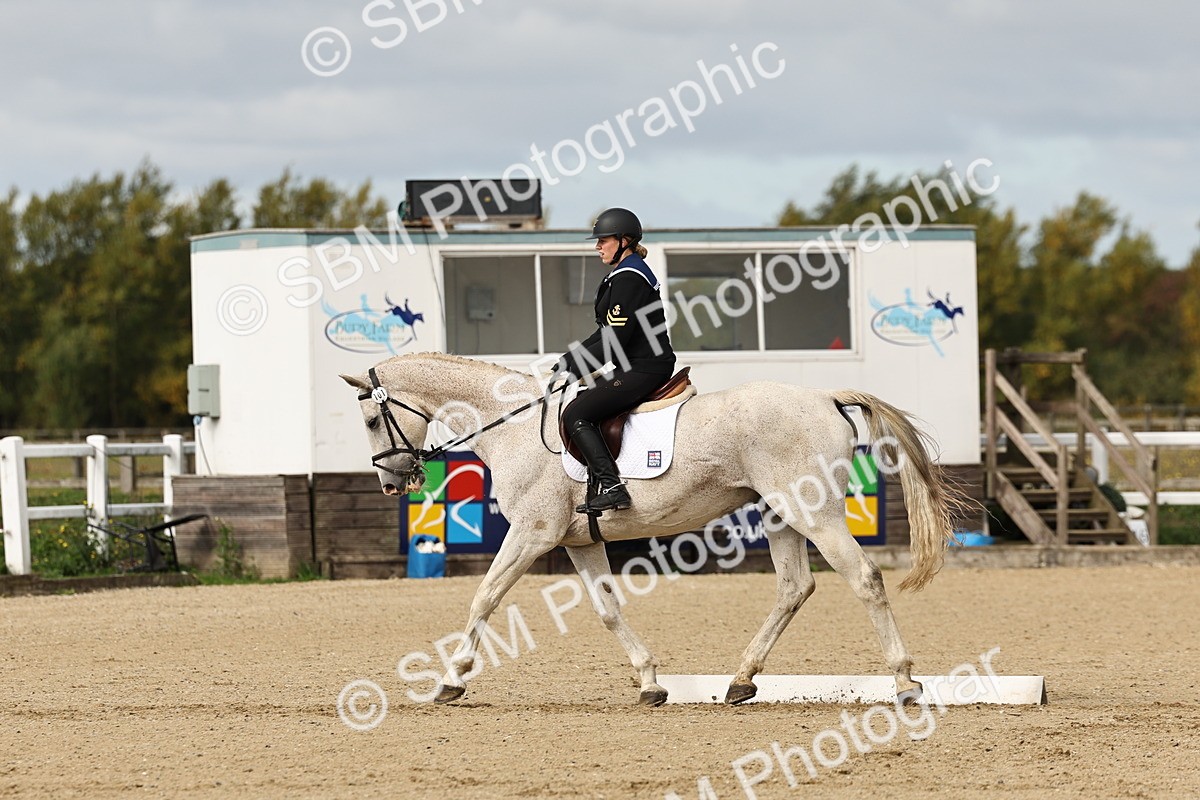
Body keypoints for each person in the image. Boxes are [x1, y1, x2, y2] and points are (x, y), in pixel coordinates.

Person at [555, 208, 676, 514]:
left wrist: (576, 367)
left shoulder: (629, 277)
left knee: (576, 414)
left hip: (645, 368)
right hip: (635, 365)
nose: (598, 246)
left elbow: (616, 341)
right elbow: (605, 333)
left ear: (624, 241)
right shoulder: (625, 273)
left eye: (603, 240)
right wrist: (568, 361)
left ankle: (612, 487)